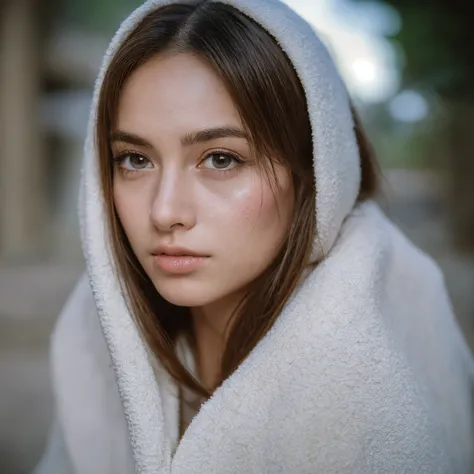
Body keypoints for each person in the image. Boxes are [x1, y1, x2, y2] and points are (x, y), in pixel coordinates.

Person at [34, 0, 474, 472]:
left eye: (221, 159)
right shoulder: (96, 324)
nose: (165, 212)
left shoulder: (365, 380)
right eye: (135, 160)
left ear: (313, 170)